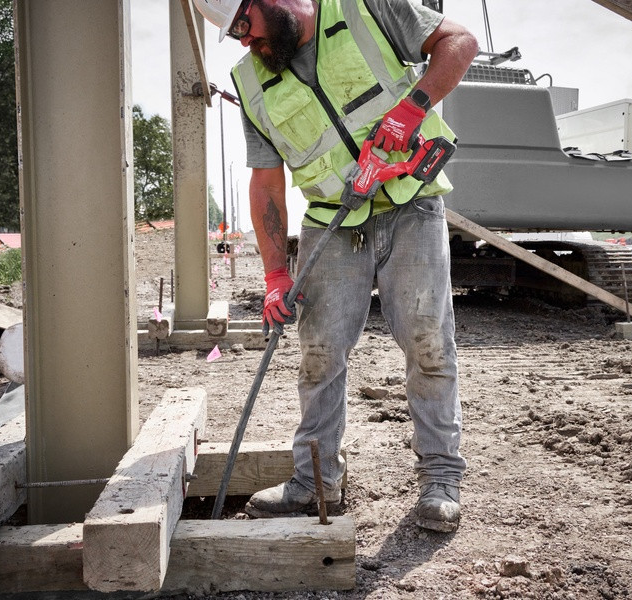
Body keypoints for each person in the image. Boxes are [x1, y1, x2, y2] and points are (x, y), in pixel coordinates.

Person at [193, 0, 478, 532]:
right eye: (234, 34)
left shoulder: (362, 7)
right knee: (319, 355)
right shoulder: (251, 82)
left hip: (411, 205)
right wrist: (275, 275)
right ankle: (314, 482)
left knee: (428, 343)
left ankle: (440, 479)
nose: (244, 41)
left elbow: (460, 42)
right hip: (331, 221)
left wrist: (411, 109)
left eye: (244, 25)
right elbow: (266, 183)